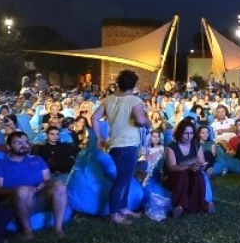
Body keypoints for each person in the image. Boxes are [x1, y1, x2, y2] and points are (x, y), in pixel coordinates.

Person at [91, 69, 150, 226]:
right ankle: (114, 213)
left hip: (114, 144)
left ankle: (123, 208)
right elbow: (140, 119)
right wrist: (147, 121)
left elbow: (94, 117)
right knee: (122, 180)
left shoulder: (109, 99)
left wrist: (99, 137)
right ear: (134, 84)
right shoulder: (134, 100)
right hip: (128, 144)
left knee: (126, 177)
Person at [0, 131, 68, 238]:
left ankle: (58, 228)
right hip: (15, 200)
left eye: (26, 142)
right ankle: (27, 231)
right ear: (8, 146)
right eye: (18, 143)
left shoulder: (37, 160)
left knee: (59, 185)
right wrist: (23, 190)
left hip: (38, 197)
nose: (24, 145)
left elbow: (48, 181)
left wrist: (41, 186)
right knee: (23, 191)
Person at [162, 118, 215, 217]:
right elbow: (172, 168)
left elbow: (202, 163)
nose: (189, 137)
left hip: (191, 174)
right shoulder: (171, 147)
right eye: (186, 133)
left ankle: (202, 204)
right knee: (182, 175)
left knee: (198, 174)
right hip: (173, 177)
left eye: (191, 134)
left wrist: (200, 166)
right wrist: (188, 166)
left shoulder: (196, 146)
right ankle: (180, 206)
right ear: (179, 133)